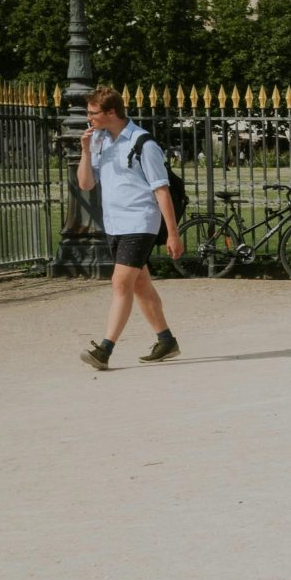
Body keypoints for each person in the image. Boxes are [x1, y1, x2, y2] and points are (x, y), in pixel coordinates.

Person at [74, 87, 182, 370]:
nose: (89, 118)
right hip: (114, 223)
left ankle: (105, 349)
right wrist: (85, 151)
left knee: (120, 283)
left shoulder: (142, 143)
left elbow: (162, 190)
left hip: (141, 221)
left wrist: (172, 232)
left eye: (93, 113)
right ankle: (166, 340)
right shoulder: (99, 141)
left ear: (111, 112)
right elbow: (86, 184)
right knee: (140, 284)